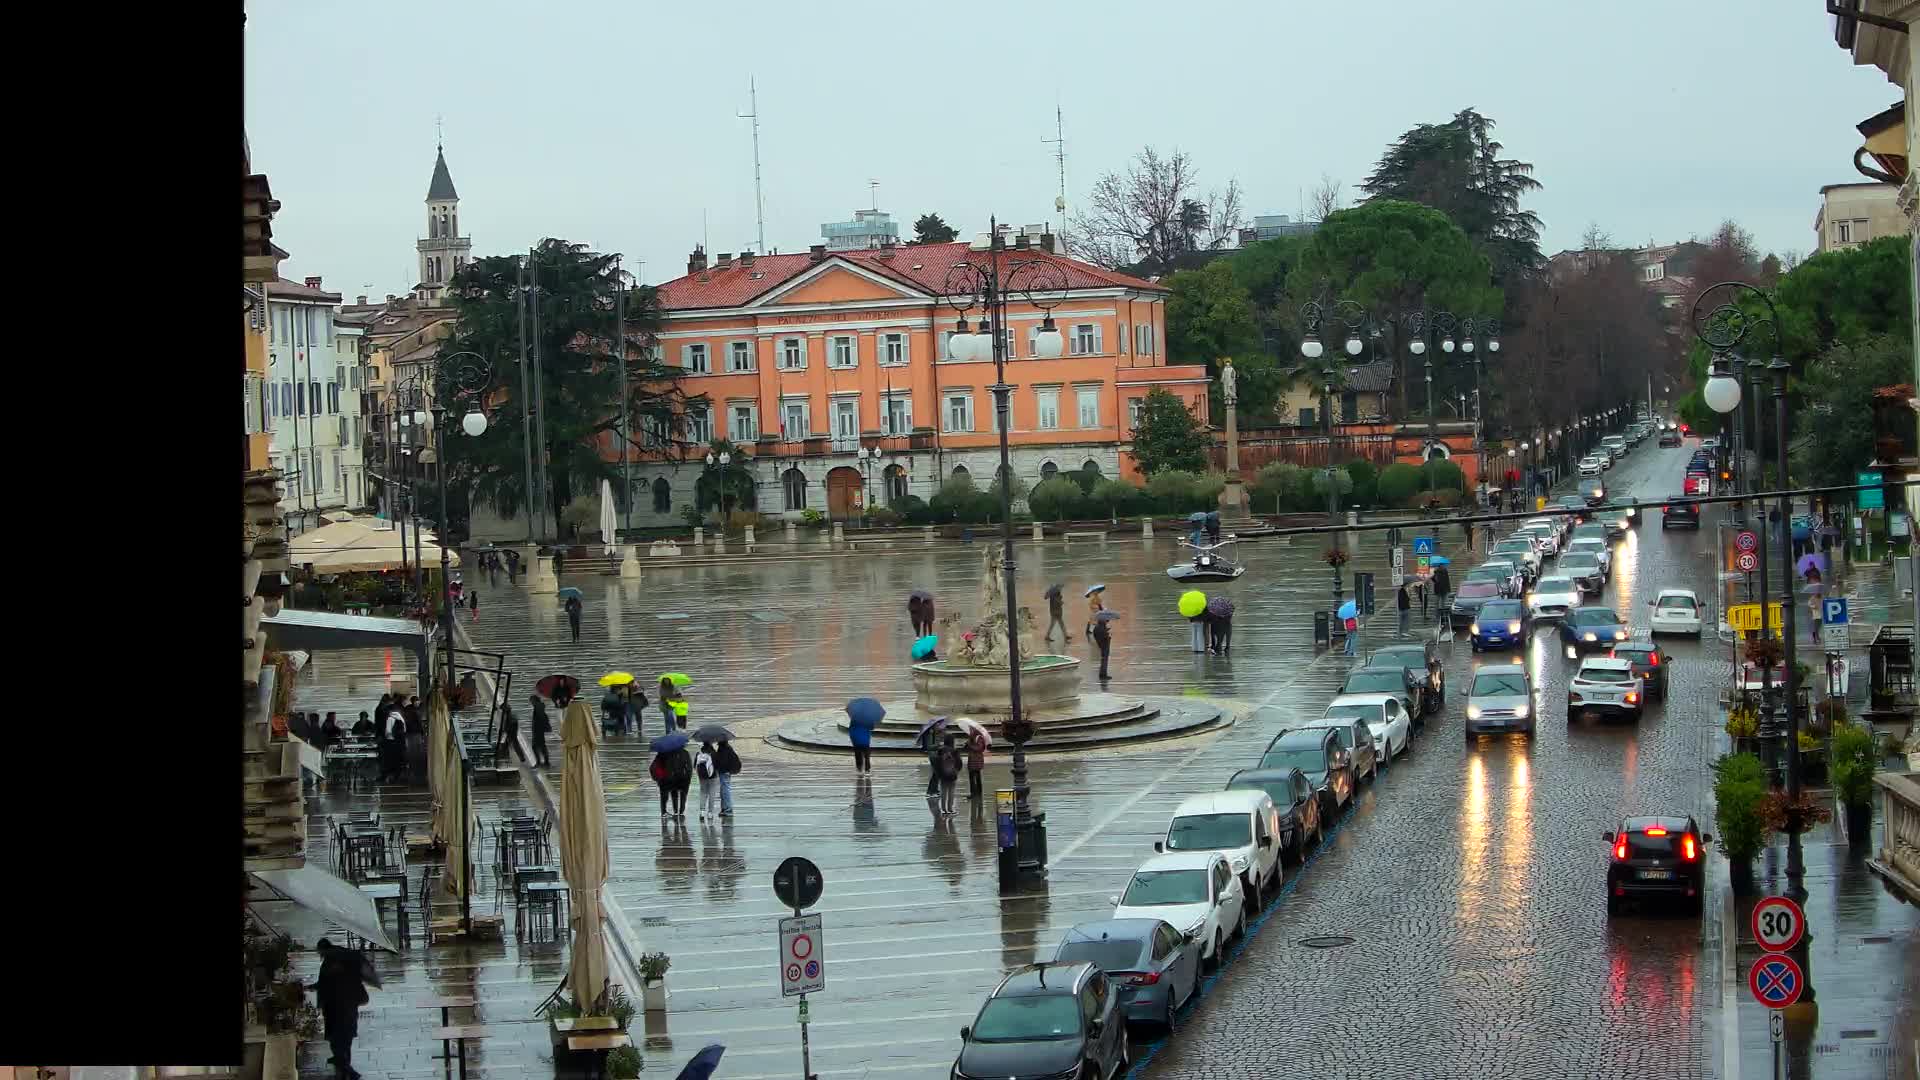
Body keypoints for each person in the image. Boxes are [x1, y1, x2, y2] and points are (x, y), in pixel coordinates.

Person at [310, 939, 373, 1080]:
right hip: (350, 1007)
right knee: (346, 1038)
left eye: (319, 951)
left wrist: (313, 988)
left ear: (323, 950)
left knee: (336, 1039)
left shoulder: (328, 964)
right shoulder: (349, 960)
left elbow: (324, 984)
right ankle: (344, 1063)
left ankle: (346, 1067)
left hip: (334, 1008)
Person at [935, 734, 962, 816]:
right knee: (951, 791)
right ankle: (950, 809)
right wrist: (956, 771)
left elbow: (937, 763)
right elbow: (959, 763)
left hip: (943, 774)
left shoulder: (940, 750)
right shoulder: (955, 751)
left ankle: (943, 809)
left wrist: (938, 773)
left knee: (943, 791)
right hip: (952, 774)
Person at [694, 740, 721, 821]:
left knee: (703, 793)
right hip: (713, 777)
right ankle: (710, 813)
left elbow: (695, 766)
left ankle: (702, 811)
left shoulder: (699, 754)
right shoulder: (714, 753)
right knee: (712, 794)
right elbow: (717, 765)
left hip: (702, 777)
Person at [715, 738, 741, 816]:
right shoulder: (727, 748)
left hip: (724, 772)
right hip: (726, 771)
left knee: (725, 790)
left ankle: (728, 809)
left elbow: (723, 762)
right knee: (724, 790)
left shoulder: (723, 749)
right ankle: (725, 808)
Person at [529, 694, 552, 768]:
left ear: (534, 700)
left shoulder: (538, 707)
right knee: (541, 746)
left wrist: (543, 727)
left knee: (536, 746)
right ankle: (545, 762)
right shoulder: (539, 706)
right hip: (538, 730)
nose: (531, 703)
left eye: (531, 701)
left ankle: (541, 762)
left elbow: (541, 718)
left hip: (538, 730)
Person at [1092, 612, 1114, 682]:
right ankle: (1103, 675)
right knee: (1105, 659)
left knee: (1103, 658)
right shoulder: (1102, 628)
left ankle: (1102, 674)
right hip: (1105, 644)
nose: (1107, 621)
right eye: (1106, 620)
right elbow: (1105, 637)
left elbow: (1096, 634)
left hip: (1101, 644)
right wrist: (1109, 635)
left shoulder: (1097, 627)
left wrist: (1106, 630)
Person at [965, 732, 986, 801]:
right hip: (971, 760)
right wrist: (966, 745)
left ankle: (977, 793)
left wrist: (970, 745)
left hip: (977, 761)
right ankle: (973, 793)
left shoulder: (979, 738)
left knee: (977, 777)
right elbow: (968, 749)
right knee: (972, 777)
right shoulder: (971, 738)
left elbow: (979, 748)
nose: (970, 732)